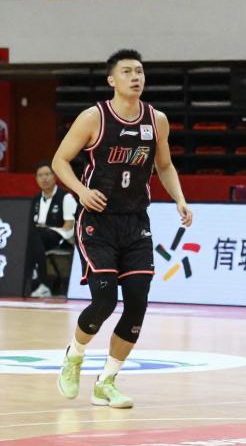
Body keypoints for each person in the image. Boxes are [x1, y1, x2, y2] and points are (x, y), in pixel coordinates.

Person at [51, 49, 193, 409]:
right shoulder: (93, 117)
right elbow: (59, 161)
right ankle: (74, 355)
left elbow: (164, 165)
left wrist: (179, 198)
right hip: (97, 221)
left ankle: (106, 382)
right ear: (112, 80)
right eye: (127, 71)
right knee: (104, 301)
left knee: (137, 304)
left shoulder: (156, 120)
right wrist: (81, 191)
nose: (135, 77)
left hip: (135, 222)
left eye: (140, 71)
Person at [26, 161, 78, 297]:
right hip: (39, 238)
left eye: (47, 174)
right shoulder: (35, 199)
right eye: (40, 175)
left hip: (62, 237)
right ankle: (41, 284)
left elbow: (69, 225)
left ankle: (42, 283)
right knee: (30, 237)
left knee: (35, 236)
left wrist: (48, 228)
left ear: (55, 176)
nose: (44, 178)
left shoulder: (65, 197)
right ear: (36, 179)